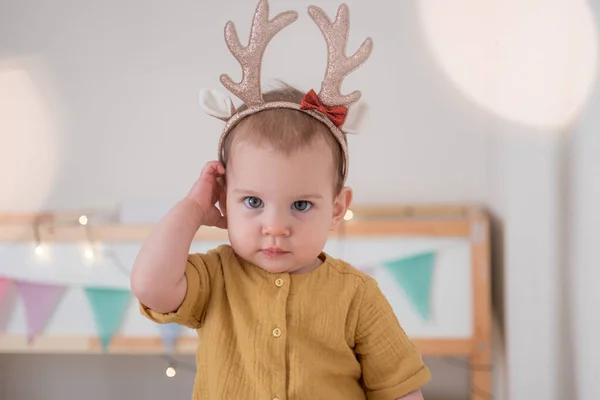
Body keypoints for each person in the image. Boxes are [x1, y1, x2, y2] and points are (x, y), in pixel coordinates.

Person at [130, 1, 431, 399]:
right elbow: (150, 286)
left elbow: (399, 389)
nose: (275, 226)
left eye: (301, 205)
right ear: (225, 197)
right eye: (253, 202)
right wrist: (193, 209)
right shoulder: (217, 277)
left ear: (337, 208)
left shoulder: (356, 295)